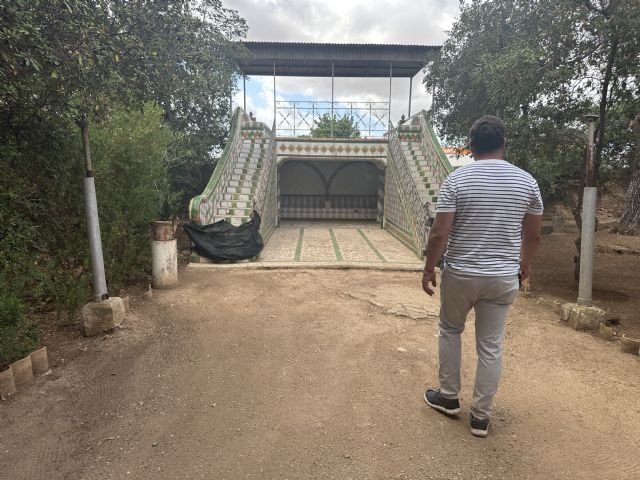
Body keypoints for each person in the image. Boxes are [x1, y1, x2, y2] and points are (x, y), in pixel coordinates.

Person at [421, 115, 543, 437]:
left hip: (460, 274)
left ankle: (448, 398)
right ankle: (480, 418)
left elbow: (439, 234)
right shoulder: (527, 182)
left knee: (450, 329)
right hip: (503, 277)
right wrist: (525, 265)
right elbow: (532, 236)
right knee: (490, 345)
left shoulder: (456, 180)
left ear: (471, 147)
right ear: (504, 144)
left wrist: (428, 268)